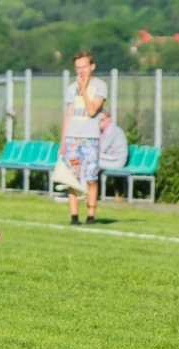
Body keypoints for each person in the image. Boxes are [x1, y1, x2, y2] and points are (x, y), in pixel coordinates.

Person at [59, 51, 107, 225]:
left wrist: (84, 89)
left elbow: (92, 110)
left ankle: (91, 214)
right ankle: (74, 216)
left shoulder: (100, 86)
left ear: (92, 67)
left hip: (90, 139)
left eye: (84, 67)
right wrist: (62, 142)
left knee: (91, 177)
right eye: (78, 68)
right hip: (73, 138)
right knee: (72, 177)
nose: (81, 71)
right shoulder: (71, 89)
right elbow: (68, 115)